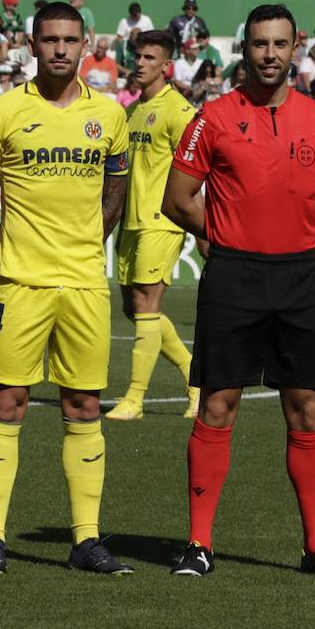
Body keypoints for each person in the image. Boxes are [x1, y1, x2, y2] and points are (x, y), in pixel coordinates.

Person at [162, 4, 315, 579]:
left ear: (295, 47)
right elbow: (177, 200)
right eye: (259, 45)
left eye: (279, 44)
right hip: (233, 277)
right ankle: (199, 546)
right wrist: (229, 237)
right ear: (245, 50)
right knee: (217, 405)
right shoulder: (214, 117)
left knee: (305, 407)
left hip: (298, 277)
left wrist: (300, 234)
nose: (270, 54)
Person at [0, 1, 133, 576]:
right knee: (7, 404)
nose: (60, 49)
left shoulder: (109, 116)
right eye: (50, 40)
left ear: (86, 45)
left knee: (83, 405)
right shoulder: (1, 112)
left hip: (85, 282)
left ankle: (86, 541)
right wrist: (8, 247)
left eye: (70, 40)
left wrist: (89, 241)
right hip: (21, 284)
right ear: (31, 45)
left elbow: (117, 192)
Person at [105, 30, 200, 421]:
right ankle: (197, 375)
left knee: (146, 304)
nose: (140, 63)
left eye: (149, 58)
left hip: (163, 219)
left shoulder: (180, 111)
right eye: (137, 56)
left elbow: (200, 171)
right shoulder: (132, 111)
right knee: (133, 307)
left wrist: (203, 226)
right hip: (132, 220)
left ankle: (134, 398)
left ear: (167, 66)